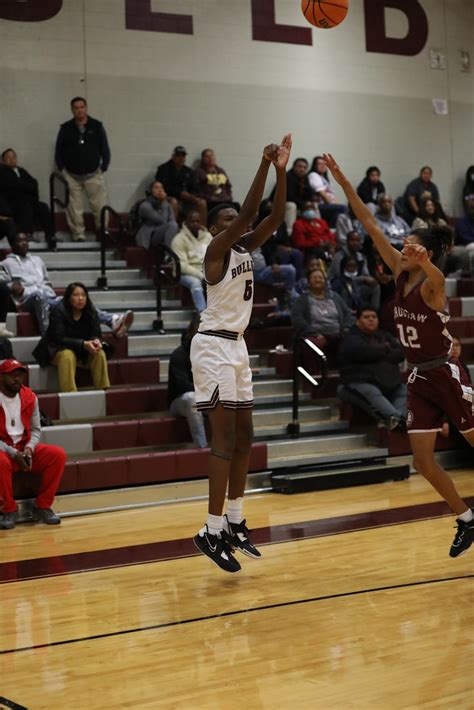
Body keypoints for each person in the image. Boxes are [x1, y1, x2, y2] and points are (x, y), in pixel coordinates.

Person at [324, 151, 474, 558]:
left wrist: (432, 265)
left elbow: (441, 281)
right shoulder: (398, 269)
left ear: (426, 253)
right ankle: (466, 519)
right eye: (406, 242)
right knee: (422, 461)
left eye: (412, 244)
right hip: (419, 377)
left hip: (446, 372)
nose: (403, 245)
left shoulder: (430, 284)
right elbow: (370, 224)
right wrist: (342, 182)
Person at [191, 133, 292, 573]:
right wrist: (263, 161)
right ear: (217, 228)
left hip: (238, 346)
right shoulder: (215, 251)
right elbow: (252, 211)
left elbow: (271, 216)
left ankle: (234, 519)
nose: (241, 224)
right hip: (212, 344)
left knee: (247, 435)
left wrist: (283, 170)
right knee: (225, 439)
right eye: (230, 220)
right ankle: (210, 530)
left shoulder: (244, 248)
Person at [0, 232, 133, 337]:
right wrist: (14, 287)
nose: (23, 243)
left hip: (48, 297)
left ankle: (112, 321)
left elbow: (46, 281)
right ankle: (46, 335)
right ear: (13, 245)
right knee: (39, 295)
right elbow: (5, 285)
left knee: (74, 299)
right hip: (26, 300)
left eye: (25, 240)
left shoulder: (37, 260)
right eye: (19, 241)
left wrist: (47, 289)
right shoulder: (6, 263)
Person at [0, 358, 66, 530]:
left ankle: (42, 506)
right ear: (1, 377)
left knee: (57, 455)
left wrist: (29, 449)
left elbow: (36, 430)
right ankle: (9, 510)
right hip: (5, 451)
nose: (17, 379)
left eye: (20, 375)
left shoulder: (30, 397)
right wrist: (14, 453)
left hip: (24, 448)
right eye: (12, 375)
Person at [33, 282, 111, 393]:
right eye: (76, 295)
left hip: (81, 351)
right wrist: (83, 344)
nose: (80, 298)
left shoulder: (90, 311)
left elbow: (96, 333)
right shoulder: (58, 311)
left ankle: (104, 391)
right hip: (56, 350)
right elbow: (59, 339)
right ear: (69, 297)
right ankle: (70, 395)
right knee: (67, 355)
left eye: (83, 295)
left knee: (99, 353)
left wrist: (96, 341)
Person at [337, 308, 407, 429]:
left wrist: (378, 352)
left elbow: (400, 354)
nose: (371, 319)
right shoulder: (350, 338)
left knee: (404, 390)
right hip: (359, 383)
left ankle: (398, 419)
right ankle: (395, 419)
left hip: (390, 382)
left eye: (374, 317)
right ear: (358, 321)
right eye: (366, 317)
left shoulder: (385, 335)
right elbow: (365, 352)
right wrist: (386, 349)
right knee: (371, 392)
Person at [54, 97, 110, 242]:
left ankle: (102, 231)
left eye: (82, 107)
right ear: (72, 110)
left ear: (86, 108)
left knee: (99, 205)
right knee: (74, 207)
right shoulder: (65, 128)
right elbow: (58, 151)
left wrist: (103, 167)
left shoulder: (97, 126)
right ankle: (78, 234)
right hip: (72, 175)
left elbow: (105, 148)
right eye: (76, 108)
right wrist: (63, 170)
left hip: (93, 174)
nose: (79, 110)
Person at [291, 268, 354, 354]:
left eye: (320, 278)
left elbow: (348, 314)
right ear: (308, 282)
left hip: (338, 335)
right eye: (314, 278)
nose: (318, 280)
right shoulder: (302, 300)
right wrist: (313, 333)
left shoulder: (335, 297)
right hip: (315, 336)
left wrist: (346, 328)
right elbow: (297, 320)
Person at [0, 148, 54, 248]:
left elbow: (34, 184)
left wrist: (23, 186)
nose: (12, 159)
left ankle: (50, 236)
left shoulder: (21, 171)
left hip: (27, 201)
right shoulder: (2, 171)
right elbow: (12, 185)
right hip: (11, 204)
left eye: (14, 157)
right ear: (3, 161)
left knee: (42, 207)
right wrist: (25, 187)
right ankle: (26, 236)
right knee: (24, 205)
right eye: (8, 158)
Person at [167, 316, 207, 449]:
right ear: (192, 334)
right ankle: (202, 447)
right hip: (180, 401)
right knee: (193, 399)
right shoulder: (179, 354)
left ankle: (230, 447)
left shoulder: (210, 355)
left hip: (205, 397)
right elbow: (182, 385)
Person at [171, 209, 212, 313]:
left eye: (198, 221)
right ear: (186, 223)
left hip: (206, 271)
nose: (195, 224)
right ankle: (203, 313)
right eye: (192, 221)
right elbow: (182, 266)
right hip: (185, 274)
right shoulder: (178, 239)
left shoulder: (208, 236)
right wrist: (201, 275)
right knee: (195, 283)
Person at [155, 146, 206, 224]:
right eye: (178, 156)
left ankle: (202, 231)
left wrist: (192, 196)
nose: (181, 158)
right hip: (170, 197)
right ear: (173, 156)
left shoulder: (189, 171)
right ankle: (172, 230)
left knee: (202, 202)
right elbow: (164, 187)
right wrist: (180, 193)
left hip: (187, 200)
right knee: (174, 202)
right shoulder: (163, 169)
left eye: (183, 156)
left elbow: (195, 187)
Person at [256, 199, 303, 280]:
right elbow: (265, 246)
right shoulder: (259, 226)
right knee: (282, 256)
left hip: (282, 248)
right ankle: (281, 280)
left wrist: (287, 247)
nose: (271, 210)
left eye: (272, 207)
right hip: (269, 252)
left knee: (296, 253)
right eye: (269, 208)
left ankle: (298, 281)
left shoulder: (281, 222)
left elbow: (286, 238)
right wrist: (273, 261)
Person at [270, 157, 314, 235]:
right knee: (291, 205)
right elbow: (289, 197)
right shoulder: (287, 177)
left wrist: (309, 203)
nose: (302, 169)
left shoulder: (305, 178)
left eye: (304, 167)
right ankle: (289, 233)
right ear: (294, 167)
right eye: (299, 166)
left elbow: (310, 195)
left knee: (314, 205)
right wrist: (304, 204)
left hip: (298, 203)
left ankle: (316, 231)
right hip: (278, 204)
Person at [135, 180, 179, 250]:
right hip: (149, 236)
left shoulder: (167, 205)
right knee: (172, 225)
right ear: (150, 191)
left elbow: (172, 220)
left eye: (161, 188)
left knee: (174, 225)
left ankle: (169, 254)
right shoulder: (145, 205)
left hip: (163, 233)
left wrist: (164, 203)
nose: (160, 190)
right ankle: (169, 254)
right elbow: (162, 221)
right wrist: (164, 201)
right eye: (156, 188)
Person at [308, 155, 346, 227]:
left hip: (327, 204)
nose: (322, 166)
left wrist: (337, 204)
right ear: (314, 166)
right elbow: (323, 194)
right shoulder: (313, 175)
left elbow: (332, 196)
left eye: (324, 164)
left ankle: (331, 230)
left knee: (339, 214)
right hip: (319, 205)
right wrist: (335, 205)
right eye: (319, 164)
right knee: (343, 208)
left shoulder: (324, 178)